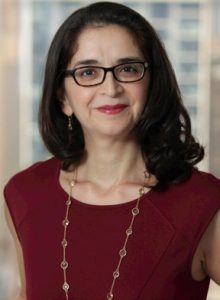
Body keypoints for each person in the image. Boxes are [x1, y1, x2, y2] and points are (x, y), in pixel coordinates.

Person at [3, 2, 220, 300]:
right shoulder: (24, 194)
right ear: (63, 97)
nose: (111, 87)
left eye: (128, 69)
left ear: (152, 83)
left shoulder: (203, 203)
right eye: (88, 72)